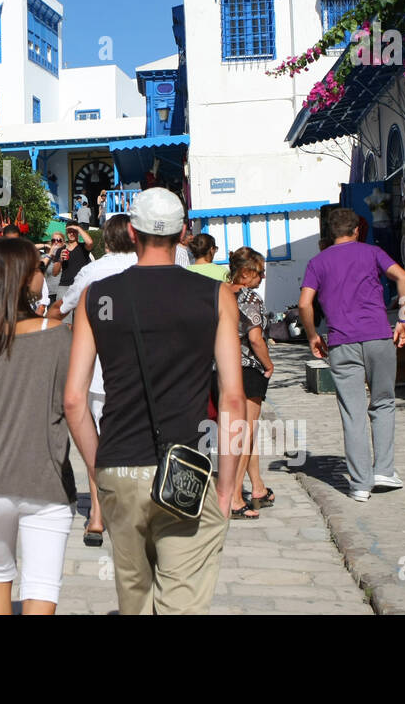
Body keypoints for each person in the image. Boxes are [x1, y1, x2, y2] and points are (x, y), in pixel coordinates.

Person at [63, 188, 245, 615]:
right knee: (182, 600)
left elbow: (74, 400)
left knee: (134, 596)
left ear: (131, 230)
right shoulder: (215, 296)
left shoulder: (97, 297)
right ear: (183, 233)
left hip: (119, 466)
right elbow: (233, 398)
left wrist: (99, 469)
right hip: (187, 466)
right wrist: (227, 486)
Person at [0, 239, 75, 614]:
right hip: (43, 479)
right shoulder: (58, 337)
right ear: (23, 278)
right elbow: (69, 404)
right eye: (38, 268)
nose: (44, 273)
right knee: (41, 585)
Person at [299, 206, 405, 502]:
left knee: (352, 412)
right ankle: (384, 470)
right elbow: (403, 278)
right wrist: (403, 319)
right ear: (357, 230)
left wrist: (313, 335)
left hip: (341, 342)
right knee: (383, 402)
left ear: (330, 233)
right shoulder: (371, 252)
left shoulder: (317, 262)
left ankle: (360, 484)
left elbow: (304, 304)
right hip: (378, 336)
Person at [48, 214, 137, 547]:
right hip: (142, 372)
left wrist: (47, 317)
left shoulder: (93, 271)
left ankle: (98, 517)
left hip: (99, 372)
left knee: (95, 445)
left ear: (108, 242)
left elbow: (63, 306)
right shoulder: (150, 266)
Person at [225, 247, 274, 519]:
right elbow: (255, 339)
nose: (263, 277)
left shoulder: (219, 292)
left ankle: (257, 487)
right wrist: (269, 365)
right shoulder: (249, 297)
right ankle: (233, 497)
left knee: (239, 433)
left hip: (220, 368)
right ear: (245, 273)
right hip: (247, 368)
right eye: (259, 272)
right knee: (244, 435)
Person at [55, 222, 95, 295]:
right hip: (64, 286)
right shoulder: (61, 250)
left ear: (78, 232)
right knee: (60, 306)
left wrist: (78, 228)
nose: (72, 234)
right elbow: (54, 273)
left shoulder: (83, 247)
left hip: (81, 285)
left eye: (74, 231)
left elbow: (90, 243)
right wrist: (60, 260)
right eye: (69, 231)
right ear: (66, 233)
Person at [43, 231, 65, 303]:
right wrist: (49, 252)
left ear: (63, 243)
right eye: (53, 240)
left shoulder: (67, 256)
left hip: (64, 294)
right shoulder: (46, 257)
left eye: (59, 240)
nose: (56, 242)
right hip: (50, 295)